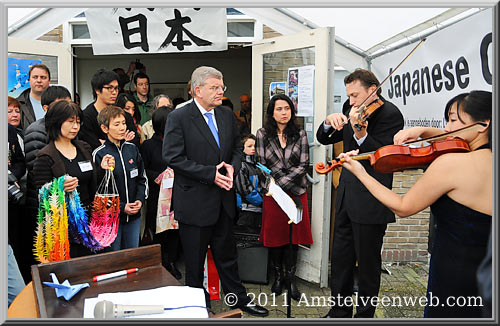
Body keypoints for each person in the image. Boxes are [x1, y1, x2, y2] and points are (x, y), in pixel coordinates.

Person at [339, 90, 492, 318]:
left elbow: (403, 206)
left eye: (453, 120)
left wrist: (361, 173)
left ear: (482, 125)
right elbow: (452, 135)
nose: (447, 129)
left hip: (453, 274)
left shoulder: (452, 164)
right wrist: (422, 131)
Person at [163, 66, 268, 317]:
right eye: (215, 88)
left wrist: (231, 168)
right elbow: (172, 157)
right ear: (197, 90)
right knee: (194, 262)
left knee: (227, 256)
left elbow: (236, 149)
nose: (220, 91)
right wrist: (211, 174)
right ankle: (199, 307)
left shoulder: (226, 115)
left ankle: (238, 299)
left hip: (224, 201)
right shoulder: (179, 117)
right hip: (195, 201)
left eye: (222, 87)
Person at [317, 68, 404, 318]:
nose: (351, 102)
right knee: (341, 258)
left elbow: (384, 157)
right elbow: (324, 138)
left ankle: (365, 315)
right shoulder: (351, 107)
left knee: (367, 264)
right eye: (349, 96)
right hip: (345, 194)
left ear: (372, 90)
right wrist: (328, 122)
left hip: (371, 198)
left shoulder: (390, 114)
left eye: (355, 95)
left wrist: (360, 133)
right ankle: (339, 310)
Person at [255, 94, 313, 301]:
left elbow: (303, 164)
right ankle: (278, 276)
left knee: (293, 237)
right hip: (273, 194)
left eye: (287, 108)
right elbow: (261, 164)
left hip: (297, 192)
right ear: (272, 112)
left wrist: (284, 182)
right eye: (279, 109)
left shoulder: (300, 133)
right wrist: (278, 184)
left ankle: (291, 278)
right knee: (276, 237)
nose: (283, 112)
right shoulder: (262, 134)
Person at [32, 100, 101, 257]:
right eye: (70, 122)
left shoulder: (84, 147)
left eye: (78, 122)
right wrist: (59, 187)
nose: (75, 127)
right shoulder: (45, 155)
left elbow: (92, 178)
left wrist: (102, 168)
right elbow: (41, 196)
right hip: (63, 227)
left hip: (88, 221)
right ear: (56, 122)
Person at [20, 85, 72, 282]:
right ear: (47, 108)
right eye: (62, 105)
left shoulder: (65, 131)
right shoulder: (37, 131)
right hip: (44, 203)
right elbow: (38, 172)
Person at [93, 106, 148, 251]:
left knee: (132, 256)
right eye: (116, 124)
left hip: (134, 216)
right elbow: (97, 190)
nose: (122, 128)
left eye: (123, 123)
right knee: (114, 260)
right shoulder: (99, 154)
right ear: (105, 128)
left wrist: (139, 200)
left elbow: (142, 179)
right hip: (111, 219)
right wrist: (122, 207)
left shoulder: (132, 149)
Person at [140, 106, 182, 280]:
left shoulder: (179, 142)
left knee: (175, 229)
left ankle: (172, 261)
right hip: (157, 196)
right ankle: (161, 262)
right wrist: (158, 176)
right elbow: (142, 168)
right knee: (158, 230)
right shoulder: (149, 145)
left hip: (177, 194)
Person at [79, 69, 139, 151]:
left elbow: (134, 143)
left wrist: (106, 143)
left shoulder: (124, 115)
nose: (114, 92)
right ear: (97, 90)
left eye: (116, 88)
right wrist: (121, 141)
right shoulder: (86, 117)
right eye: (110, 88)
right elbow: (92, 146)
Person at [234, 134, 263, 234]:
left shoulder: (255, 165)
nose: (253, 149)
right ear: (242, 148)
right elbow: (244, 189)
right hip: (246, 210)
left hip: (257, 209)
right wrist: (261, 201)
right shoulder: (241, 165)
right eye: (249, 146)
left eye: (255, 146)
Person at [16, 64, 51, 130]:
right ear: (29, 80)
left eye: (43, 77)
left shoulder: (57, 103)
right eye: (35, 77)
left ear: (49, 81)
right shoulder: (18, 104)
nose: (39, 80)